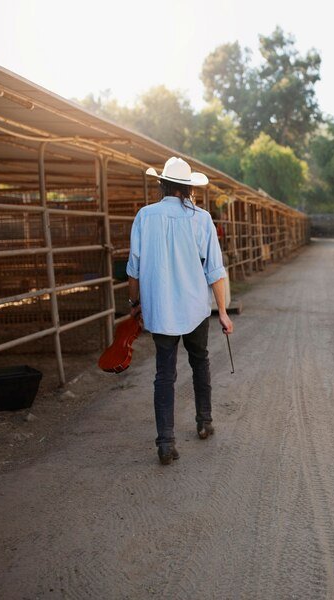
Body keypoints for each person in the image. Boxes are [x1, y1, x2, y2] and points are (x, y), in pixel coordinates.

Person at [126, 157, 234, 465]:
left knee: (164, 374)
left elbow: (133, 269)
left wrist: (135, 304)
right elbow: (215, 270)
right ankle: (204, 421)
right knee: (200, 361)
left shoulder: (145, 216)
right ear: (188, 188)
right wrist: (223, 312)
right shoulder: (201, 219)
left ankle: (166, 443)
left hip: (160, 310)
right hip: (195, 307)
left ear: (161, 185)